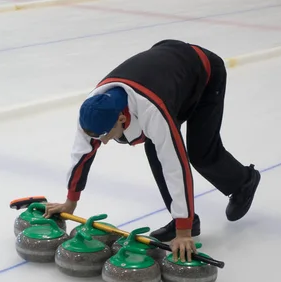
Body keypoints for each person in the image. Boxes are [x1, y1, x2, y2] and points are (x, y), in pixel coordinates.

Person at [43, 39, 261, 262]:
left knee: (200, 152)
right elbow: (82, 155)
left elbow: (175, 166)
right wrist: (71, 200)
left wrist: (183, 233)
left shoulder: (152, 112)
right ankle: (185, 219)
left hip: (202, 73)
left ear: (121, 118)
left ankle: (243, 182)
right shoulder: (92, 110)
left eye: (105, 137)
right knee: (155, 149)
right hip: (166, 72)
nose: (104, 143)